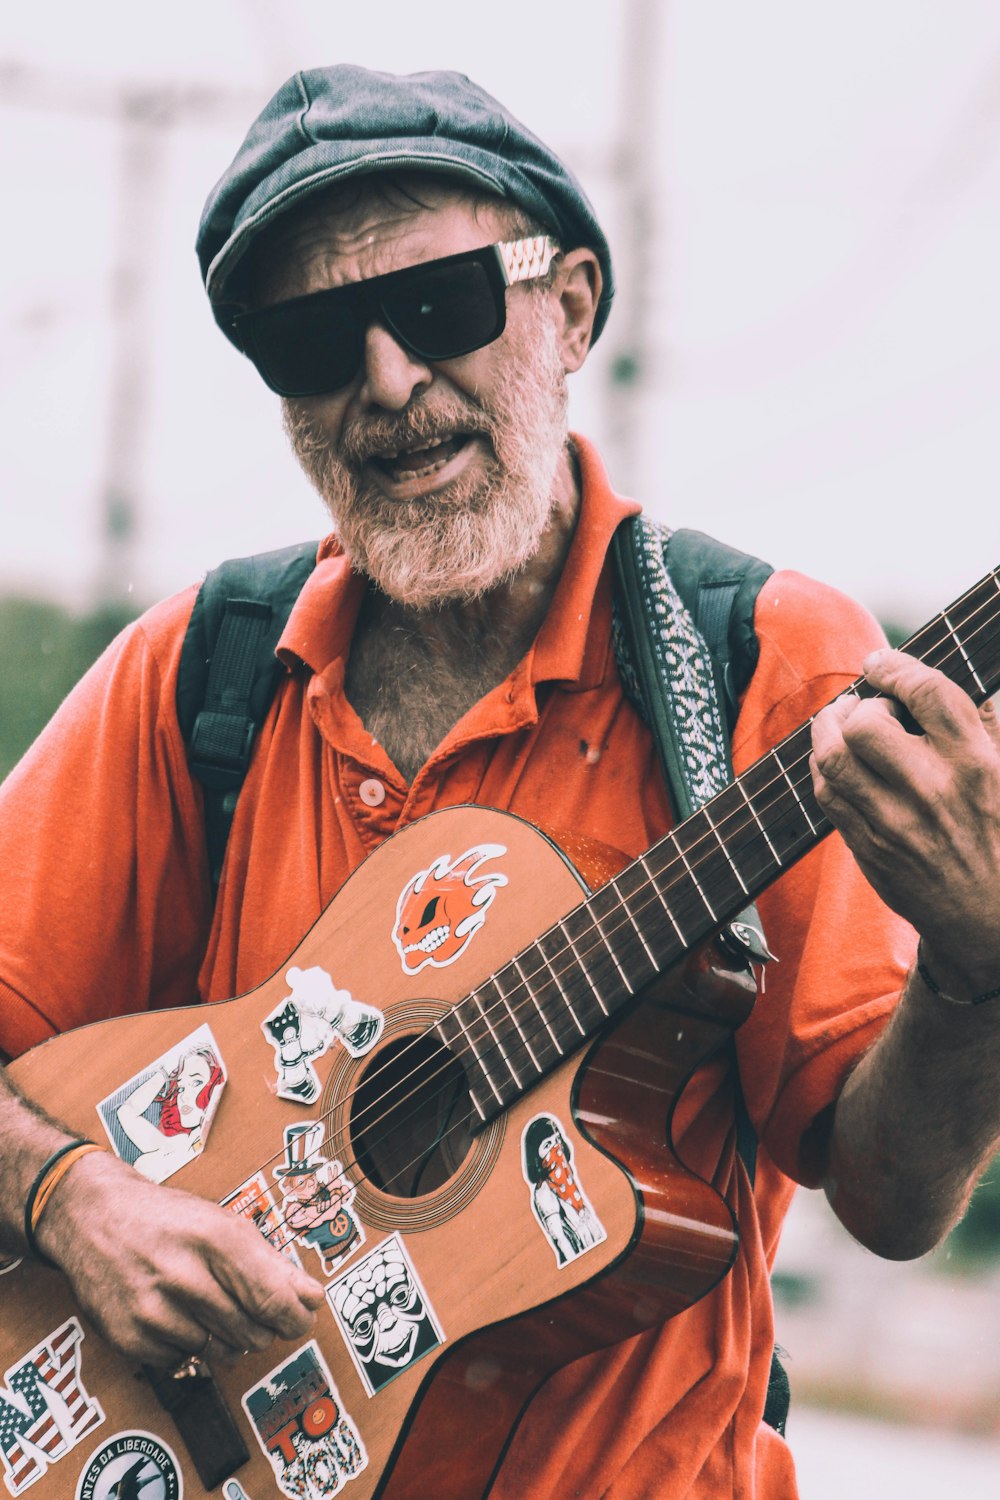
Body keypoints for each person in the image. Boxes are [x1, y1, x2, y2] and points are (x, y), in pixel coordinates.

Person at [0, 62, 998, 1498]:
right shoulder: (202, 674)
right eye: (311, 341)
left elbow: (896, 1201)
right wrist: (72, 1195)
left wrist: (976, 967)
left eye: (443, 307)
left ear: (572, 304)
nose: (390, 382)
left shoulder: (767, 667)